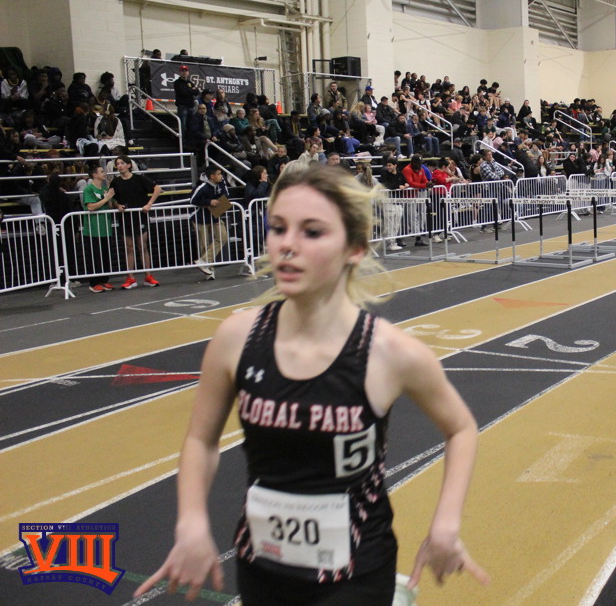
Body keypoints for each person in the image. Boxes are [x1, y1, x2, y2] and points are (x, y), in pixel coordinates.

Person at [135, 165, 487, 604]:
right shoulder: (236, 338)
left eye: (313, 232)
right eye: (278, 228)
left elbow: (461, 428)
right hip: (262, 569)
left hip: (357, 574)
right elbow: (200, 440)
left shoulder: (390, 353)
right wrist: (191, 523)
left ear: (354, 248)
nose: (288, 245)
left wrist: (446, 525)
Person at [110, 156, 162, 288]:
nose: (119, 166)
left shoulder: (139, 179)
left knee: (142, 245)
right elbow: (111, 198)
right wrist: (117, 205)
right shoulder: (115, 182)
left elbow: (157, 188)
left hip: (140, 216)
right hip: (125, 217)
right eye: (117, 164)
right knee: (129, 247)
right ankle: (131, 278)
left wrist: (149, 204)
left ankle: (148, 276)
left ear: (129, 165)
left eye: (122, 163)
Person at [81, 165, 117, 293]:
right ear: (94, 175)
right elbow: (90, 207)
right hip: (93, 229)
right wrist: (105, 198)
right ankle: (94, 283)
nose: (104, 173)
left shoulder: (105, 189)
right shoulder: (88, 189)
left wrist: (111, 200)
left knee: (106, 256)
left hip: (105, 228)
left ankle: (104, 280)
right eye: (101, 171)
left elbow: (111, 205)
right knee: (94, 257)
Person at [190, 167, 230, 280]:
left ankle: (203, 261)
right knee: (204, 244)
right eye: (219, 174)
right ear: (212, 176)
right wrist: (208, 202)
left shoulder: (221, 183)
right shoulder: (202, 186)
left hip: (215, 215)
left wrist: (220, 200)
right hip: (200, 217)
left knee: (222, 237)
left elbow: (226, 195)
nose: (221, 176)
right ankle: (209, 270)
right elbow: (192, 200)